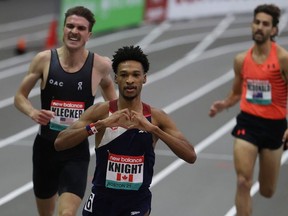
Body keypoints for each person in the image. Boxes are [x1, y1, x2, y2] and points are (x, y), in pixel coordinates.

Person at [54, 45, 197, 216]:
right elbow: (60, 143)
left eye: (135, 75)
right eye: (124, 75)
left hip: (136, 203)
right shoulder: (100, 112)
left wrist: (153, 130)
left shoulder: (156, 117)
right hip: (101, 202)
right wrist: (100, 125)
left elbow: (190, 155)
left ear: (144, 78)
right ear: (116, 79)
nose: (130, 80)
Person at [14, 6, 117, 216]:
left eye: (80, 28)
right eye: (70, 26)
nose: (74, 31)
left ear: (89, 35)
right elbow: (19, 97)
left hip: (75, 152)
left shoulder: (100, 65)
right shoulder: (44, 60)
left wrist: (113, 118)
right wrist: (33, 112)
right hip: (45, 150)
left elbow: (112, 98)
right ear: (63, 29)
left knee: (67, 213)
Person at [209, 4, 288, 216]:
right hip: (248, 123)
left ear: (273, 30)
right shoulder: (241, 60)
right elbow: (236, 93)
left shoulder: (283, 59)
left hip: (275, 127)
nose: (260, 27)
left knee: (267, 190)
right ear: (251, 25)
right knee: (243, 181)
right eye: (257, 22)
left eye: (265, 24)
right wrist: (224, 104)